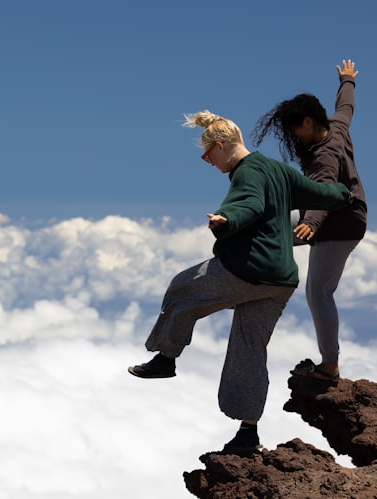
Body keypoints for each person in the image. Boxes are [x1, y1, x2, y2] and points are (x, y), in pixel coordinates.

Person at [128, 110, 351, 454]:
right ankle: (248, 433)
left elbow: (249, 203)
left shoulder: (245, 173)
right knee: (249, 350)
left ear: (220, 145)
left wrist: (226, 220)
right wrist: (342, 192)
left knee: (182, 287)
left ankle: (166, 359)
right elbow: (318, 193)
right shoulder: (278, 170)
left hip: (247, 270)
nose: (207, 161)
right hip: (280, 281)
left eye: (207, 154)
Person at [251, 60, 367, 386]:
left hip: (340, 224)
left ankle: (329, 366)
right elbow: (345, 107)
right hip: (337, 215)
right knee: (266, 229)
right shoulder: (335, 126)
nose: (292, 136)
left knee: (318, 292)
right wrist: (348, 81)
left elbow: (327, 187)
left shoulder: (323, 154)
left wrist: (313, 224)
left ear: (307, 122)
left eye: (294, 130)